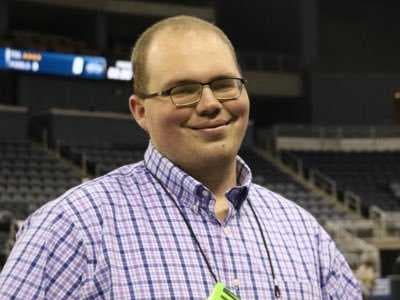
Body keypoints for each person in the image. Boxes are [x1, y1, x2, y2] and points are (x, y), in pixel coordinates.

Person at [0, 15, 361, 299]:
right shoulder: (73, 228)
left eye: (223, 84)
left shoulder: (302, 232)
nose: (210, 104)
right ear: (140, 111)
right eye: (183, 90)